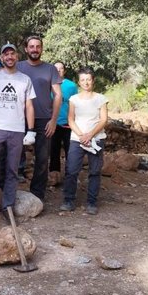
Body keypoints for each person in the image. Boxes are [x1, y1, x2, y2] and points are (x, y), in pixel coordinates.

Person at [0, 43, 35, 220]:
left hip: (16, 130)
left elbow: (29, 105)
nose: (9, 57)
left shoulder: (25, 79)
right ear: (1, 58)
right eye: (6, 54)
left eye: (12, 53)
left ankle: (7, 206)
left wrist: (31, 130)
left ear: (17, 56)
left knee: (12, 170)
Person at [17, 35, 62, 201]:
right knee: (12, 156)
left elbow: (58, 95)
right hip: (19, 119)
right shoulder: (18, 66)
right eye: (31, 46)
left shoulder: (50, 69)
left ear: (41, 49)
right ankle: (8, 192)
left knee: (42, 159)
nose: (34, 49)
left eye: (38, 46)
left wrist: (54, 120)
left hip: (44, 120)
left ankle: (37, 195)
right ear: (26, 49)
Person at [60, 66, 108, 215]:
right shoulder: (74, 99)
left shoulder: (101, 98)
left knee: (94, 171)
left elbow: (104, 119)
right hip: (77, 138)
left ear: (93, 80)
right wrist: (82, 135)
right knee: (71, 170)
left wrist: (90, 135)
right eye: (83, 80)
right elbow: (70, 119)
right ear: (79, 82)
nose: (86, 82)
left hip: (96, 139)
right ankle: (69, 200)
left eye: (88, 79)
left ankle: (92, 202)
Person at [49, 61, 78, 186]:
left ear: (64, 71)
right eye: (56, 69)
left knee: (70, 152)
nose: (58, 71)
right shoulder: (48, 84)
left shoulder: (71, 86)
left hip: (68, 124)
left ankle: (70, 177)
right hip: (53, 124)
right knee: (53, 151)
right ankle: (54, 176)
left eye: (61, 69)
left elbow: (76, 104)